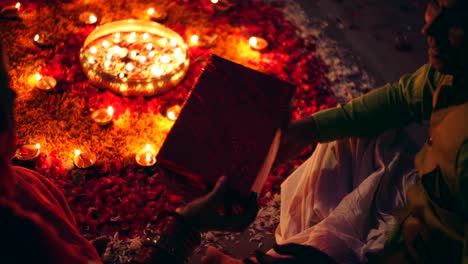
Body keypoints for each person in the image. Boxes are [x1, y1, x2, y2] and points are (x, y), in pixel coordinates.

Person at [202, 0, 468, 263]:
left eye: (455, 20)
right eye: (435, 4)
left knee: (331, 244)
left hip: (423, 249)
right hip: (418, 199)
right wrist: (306, 131)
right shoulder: (455, 71)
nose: (430, 29)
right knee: (346, 140)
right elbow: (402, 98)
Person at [0, 40, 257, 263]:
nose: (14, 111)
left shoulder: (26, 184)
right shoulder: (17, 229)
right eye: (7, 99)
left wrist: (82, 250)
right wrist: (187, 224)